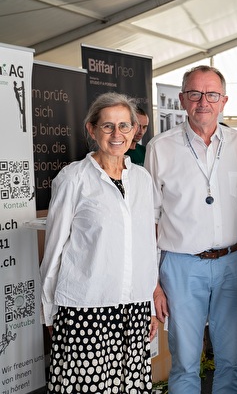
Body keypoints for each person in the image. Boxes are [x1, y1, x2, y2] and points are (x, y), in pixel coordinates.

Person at [146, 64, 237, 393]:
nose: (203, 102)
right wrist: (153, 285)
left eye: (211, 94)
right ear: (182, 99)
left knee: (231, 360)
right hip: (180, 266)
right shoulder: (159, 147)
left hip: (233, 263)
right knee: (184, 362)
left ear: (224, 101)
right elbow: (149, 219)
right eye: (195, 93)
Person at [40, 92, 158, 393]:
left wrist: (149, 306)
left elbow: (146, 247)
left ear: (135, 130)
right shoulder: (73, 179)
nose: (116, 134)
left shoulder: (143, 180)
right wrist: (50, 310)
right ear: (92, 130)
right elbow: (53, 251)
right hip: (85, 309)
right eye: (107, 126)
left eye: (124, 125)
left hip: (133, 310)